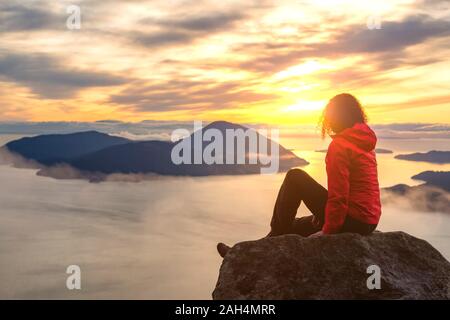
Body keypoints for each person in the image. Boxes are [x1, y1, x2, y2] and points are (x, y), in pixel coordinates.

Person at [217, 93, 382, 258]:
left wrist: (328, 231)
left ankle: (259, 245)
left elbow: (339, 197)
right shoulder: (363, 141)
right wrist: (322, 215)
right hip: (368, 221)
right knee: (296, 226)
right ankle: (246, 252)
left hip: (351, 219)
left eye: (330, 117)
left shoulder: (340, 146)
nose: (328, 121)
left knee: (295, 177)